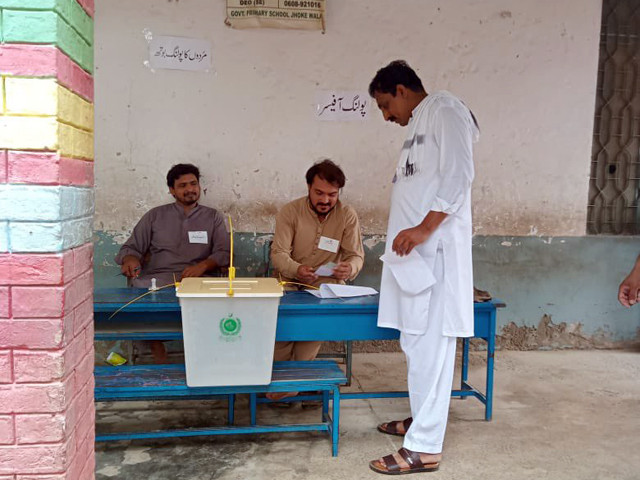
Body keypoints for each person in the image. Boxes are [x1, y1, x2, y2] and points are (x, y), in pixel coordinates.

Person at [368, 60, 479, 475]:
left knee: (431, 347)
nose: (385, 116)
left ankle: (425, 448)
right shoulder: (419, 122)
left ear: (400, 89)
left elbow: (459, 176)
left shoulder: (446, 110)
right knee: (415, 344)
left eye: (384, 105)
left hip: (436, 256)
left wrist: (422, 228)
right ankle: (422, 420)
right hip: (412, 259)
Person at [268, 159, 365, 401]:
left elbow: (356, 255)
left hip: (323, 283)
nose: (325, 200)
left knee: (312, 325)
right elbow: (278, 254)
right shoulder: (290, 212)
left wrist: (349, 268)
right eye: (319, 193)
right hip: (287, 280)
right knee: (282, 330)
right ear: (308, 188)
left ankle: (295, 383)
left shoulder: (347, 215)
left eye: (332, 195)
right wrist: (297, 269)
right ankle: (288, 381)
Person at [115, 163, 230, 362]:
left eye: (193, 184)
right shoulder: (155, 216)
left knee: (217, 298)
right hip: (159, 279)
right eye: (182, 185)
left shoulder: (213, 217)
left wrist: (202, 266)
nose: (190, 189)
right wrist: (130, 259)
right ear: (172, 190)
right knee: (140, 289)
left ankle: (205, 357)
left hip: (199, 280)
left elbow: (224, 252)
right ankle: (157, 348)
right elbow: (131, 248)